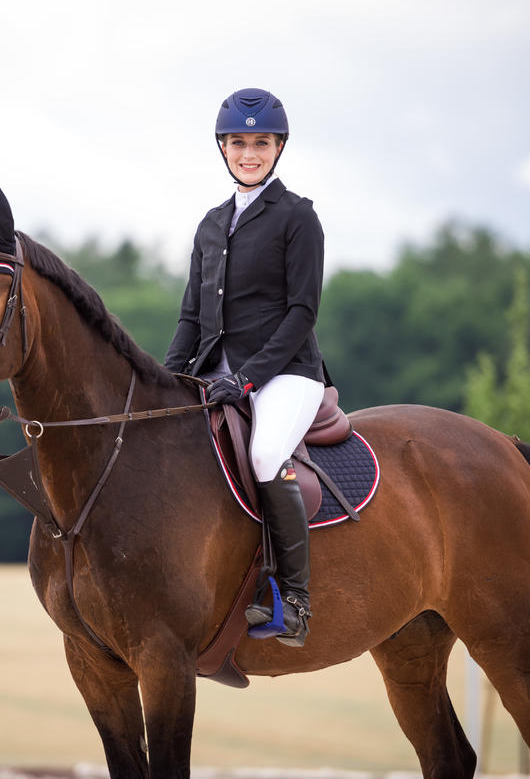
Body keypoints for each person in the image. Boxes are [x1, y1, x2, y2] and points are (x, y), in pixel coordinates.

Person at [165, 87, 330, 647]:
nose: (249, 153)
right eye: (239, 143)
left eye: (261, 142)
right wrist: (165, 380)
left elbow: (303, 311)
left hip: (288, 374)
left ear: (278, 147)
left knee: (263, 453)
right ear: (223, 148)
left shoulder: (298, 218)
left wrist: (250, 377)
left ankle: (297, 602)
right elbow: (192, 314)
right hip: (218, 374)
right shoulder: (211, 224)